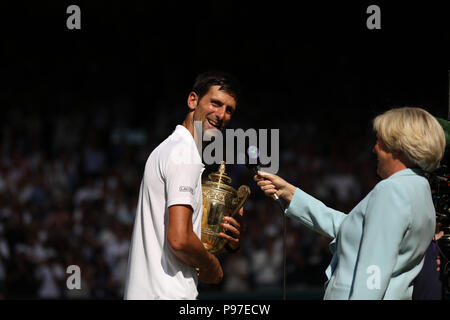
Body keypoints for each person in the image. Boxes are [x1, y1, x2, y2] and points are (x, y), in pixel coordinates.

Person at [255, 107, 446, 299]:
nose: (374, 148)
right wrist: (292, 194)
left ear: (397, 147)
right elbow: (354, 229)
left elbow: (374, 271)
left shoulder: (391, 190)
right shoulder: (420, 188)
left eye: (379, 141)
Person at [124, 71, 243, 300]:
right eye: (216, 103)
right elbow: (179, 239)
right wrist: (212, 265)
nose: (222, 115)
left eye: (229, 110)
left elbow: (183, 236)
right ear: (193, 100)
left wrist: (224, 240)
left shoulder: (169, 148)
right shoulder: (184, 153)